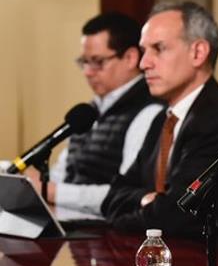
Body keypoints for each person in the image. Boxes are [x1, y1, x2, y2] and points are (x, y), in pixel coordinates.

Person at [101, 1, 218, 263]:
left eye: (158, 49)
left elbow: (176, 214)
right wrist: (146, 199)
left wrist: (149, 204)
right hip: (180, 262)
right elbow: (113, 197)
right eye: (143, 51)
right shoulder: (163, 120)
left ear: (198, 52)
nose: (144, 63)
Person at [25, 12, 162, 214]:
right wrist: (29, 183)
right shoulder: (88, 112)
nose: (88, 72)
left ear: (131, 58)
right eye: (84, 62)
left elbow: (126, 192)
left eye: (97, 61)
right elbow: (64, 172)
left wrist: (53, 192)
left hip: (111, 236)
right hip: (72, 227)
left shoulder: (150, 111)